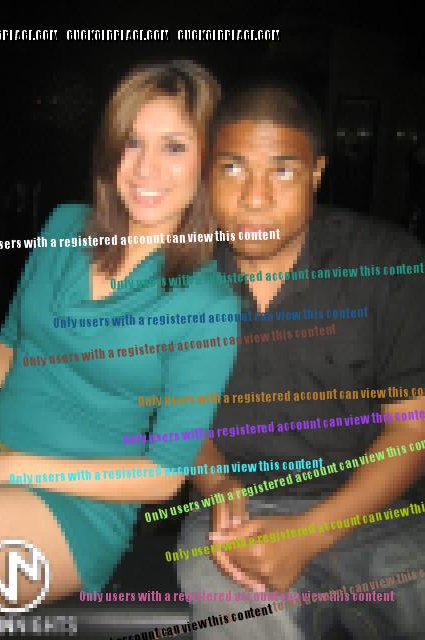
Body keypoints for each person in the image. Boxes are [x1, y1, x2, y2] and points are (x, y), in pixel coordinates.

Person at [0, 60, 239, 639]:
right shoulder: (63, 226)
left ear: (207, 162)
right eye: (132, 142)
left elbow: (164, 475)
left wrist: (5, 469)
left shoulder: (207, 303)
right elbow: (8, 344)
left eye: (174, 147)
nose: (145, 168)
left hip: (72, 510)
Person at [177, 84, 425, 639]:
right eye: (233, 168)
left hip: (378, 508)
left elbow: (413, 426)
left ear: (316, 173)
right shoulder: (181, 275)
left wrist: (312, 533)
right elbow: (180, 416)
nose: (255, 198)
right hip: (242, 512)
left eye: (282, 171)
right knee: (236, 612)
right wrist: (217, 486)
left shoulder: (389, 264)